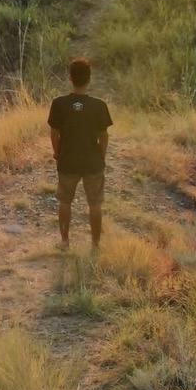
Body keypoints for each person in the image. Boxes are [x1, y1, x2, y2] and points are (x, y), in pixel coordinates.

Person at [48, 58, 111, 249]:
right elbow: (104, 136)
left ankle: (65, 241)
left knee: (65, 201)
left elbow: (54, 133)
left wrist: (57, 153)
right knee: (95, 204)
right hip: (92, 162)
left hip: (68, 160)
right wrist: (101, 156)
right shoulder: (99, 105)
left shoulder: (59, 104)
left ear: (70, 78)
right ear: (89, 79)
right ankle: (95, 244)